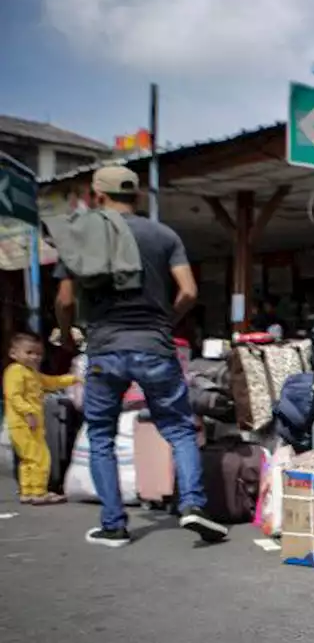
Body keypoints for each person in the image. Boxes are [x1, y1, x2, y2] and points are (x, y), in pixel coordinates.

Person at [52, 165, 222, 548]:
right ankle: (193, 505)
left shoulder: (82, 234)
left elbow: (64, 299)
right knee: (179, 429)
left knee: (101, 435)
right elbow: (190, 291)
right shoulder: (163, 234)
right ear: (137, 196)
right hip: (155, 347)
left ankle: (113, 525)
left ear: (97, 196)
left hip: (103, 349)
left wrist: (65, 336)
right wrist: (164, 321)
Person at [4, 331, 78, 505]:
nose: (35, 357)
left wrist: (73, 379)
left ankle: (28, 491)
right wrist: (28, 413)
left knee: (29, 459)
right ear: (13, 354)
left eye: (38, 354)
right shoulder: (15, 371)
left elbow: (50, 382)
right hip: (23, 423)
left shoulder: (31, 373)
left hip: (30, 423)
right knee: (40, 457)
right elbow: (14, 396)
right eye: (29, 353)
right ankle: (38, 492)